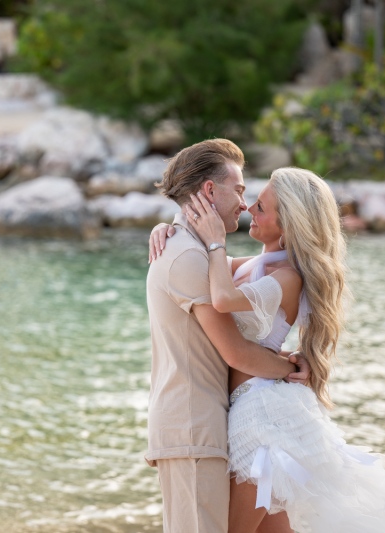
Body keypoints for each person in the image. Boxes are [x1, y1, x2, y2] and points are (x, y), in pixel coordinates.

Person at [150, 166, 385, 532]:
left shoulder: (287, 277)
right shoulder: (258, 264)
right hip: (254, 408)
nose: (248, 209)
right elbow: (200, 266)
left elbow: (222, 298)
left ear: (288, 225)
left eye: (261, 207)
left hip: (260, 416)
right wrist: (170, 230)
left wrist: (214, 240)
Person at [145, 139, 310, 533]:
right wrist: (291, 367)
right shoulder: (188, 255)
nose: (244, 202)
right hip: (193, 426)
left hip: (218, 423)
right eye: (239, 190)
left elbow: (243, 276)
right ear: (208, 191)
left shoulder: (194, 250)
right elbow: (234, 351)